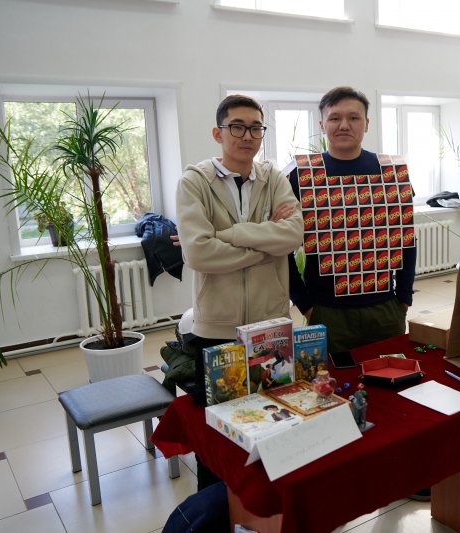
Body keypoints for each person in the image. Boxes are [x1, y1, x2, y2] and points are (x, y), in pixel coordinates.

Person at [176, 94, 303, 489]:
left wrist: (229, 235)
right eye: (237, 126)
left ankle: (266, 506)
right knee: (220, 431)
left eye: (255, 128)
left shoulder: (273, 178)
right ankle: (216, 507)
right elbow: (198, 252)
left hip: (271, 325)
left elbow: (293, 235)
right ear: (218, 133)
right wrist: (265, 243)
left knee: (273, 419)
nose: (247, 135)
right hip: (217, 328)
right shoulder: (194, 182)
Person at [287, 86, 416, 353]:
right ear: (322, 125)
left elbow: (406, 238)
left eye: (353, 117)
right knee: (330, 379)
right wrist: (305, 304)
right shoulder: (300, 176)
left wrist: (403, 297)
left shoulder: (391, 172)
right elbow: (282, 247)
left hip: (385, 308)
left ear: (366, 123)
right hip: (326, 311)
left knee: (390, 376)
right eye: (335, 118)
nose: (344, 125)